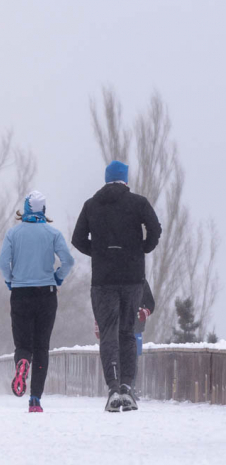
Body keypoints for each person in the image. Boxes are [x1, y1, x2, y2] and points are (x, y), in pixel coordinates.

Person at [72, 160, 161, 412]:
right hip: (133, 279)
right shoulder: (139, 203)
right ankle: (128, 388)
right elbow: (155, 229)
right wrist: (141, 249)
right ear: (125, 179)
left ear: (106, 178)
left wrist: (100, 254)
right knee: (128, 332)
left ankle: (112, 389)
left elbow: (78, 239)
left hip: (103, 280)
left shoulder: (91, 205)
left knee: (108, 333)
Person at [0, 190, 75, 413]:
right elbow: (68, 261)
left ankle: (22, 363)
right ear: (43, 210)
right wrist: (58, 277)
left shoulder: (13, 234)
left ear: (26, 208)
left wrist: (11, 280)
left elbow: (3, 263)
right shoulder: (52, 233)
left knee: (23, 345)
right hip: (46, 294)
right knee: (42, 347)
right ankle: (35, 400)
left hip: (21, 294)